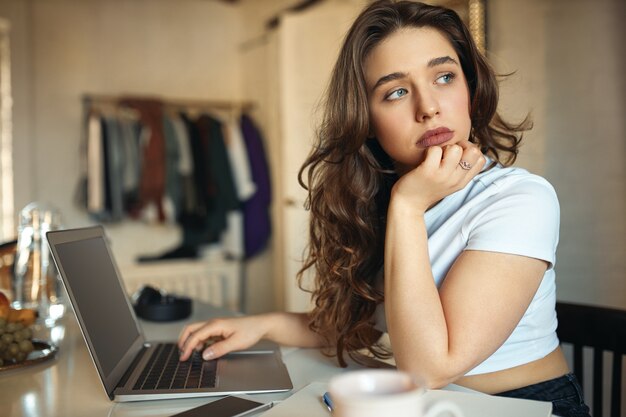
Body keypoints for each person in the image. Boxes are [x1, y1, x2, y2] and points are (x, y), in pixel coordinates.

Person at [178, 1, 590, 416]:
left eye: (444, 77)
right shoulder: (383, 200)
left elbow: (430, 367)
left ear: (471, 90)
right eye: (396, 92)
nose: (427, 107)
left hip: (526, 406)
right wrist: (261, 325)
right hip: (438, 405)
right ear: (366, 119)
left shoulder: (520, 198)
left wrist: (408, 207)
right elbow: (357, 327)